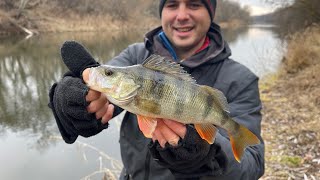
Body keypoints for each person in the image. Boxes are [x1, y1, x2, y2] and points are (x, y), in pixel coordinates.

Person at [49, 0, 265, 179]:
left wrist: (208, 154)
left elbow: (252, 165)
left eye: (194, 4)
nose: (181, 15)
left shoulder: (241, 80)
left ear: (211, 13)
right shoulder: (135, 57)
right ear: (162, 12)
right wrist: (71, 101)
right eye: (172, 4)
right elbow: (101, 94)